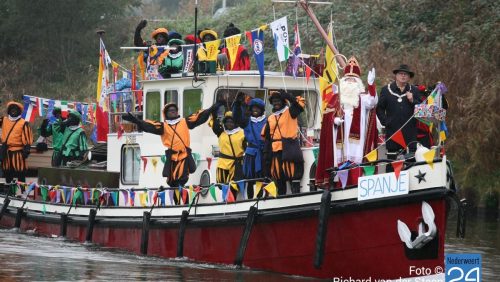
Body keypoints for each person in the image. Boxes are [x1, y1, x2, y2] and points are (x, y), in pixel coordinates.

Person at [123, 102, 217, 203]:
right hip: (171, 159)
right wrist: (137, 121)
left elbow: (198, 117)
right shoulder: (163, 126)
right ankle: (176, 205)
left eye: (175, 110)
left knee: (182, 180)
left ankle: (185, 204)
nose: (173, 112)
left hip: (184, 156)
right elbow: (149, 125)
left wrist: (211, 109)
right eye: (170, 111)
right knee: (173, 184)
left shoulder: (185, 122)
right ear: (166, 113)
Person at [335, 57, 378, 165]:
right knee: (341, 161)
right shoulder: (337, 97)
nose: (349, 82)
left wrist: (371, 84)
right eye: (347, 79)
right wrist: (334, 120)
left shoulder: (362, 98)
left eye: (353, 80)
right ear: (342, 82)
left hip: (357, 141)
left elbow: (373, 101)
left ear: (358, 83)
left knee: (355, 163)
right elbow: (329, 114)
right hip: (341, 138)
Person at [262, 90, 305, 195]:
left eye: (278, 100)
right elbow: (267, 137)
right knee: (279, 178)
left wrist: (288, 96)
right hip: (275, 151)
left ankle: (296, 198)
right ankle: (281, 199)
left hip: (289, 149)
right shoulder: (271, 118)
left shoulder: (290, 112)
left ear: (283, 102)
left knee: (292, 176)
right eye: (274, 101)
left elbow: (300, 105)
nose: (276, 103)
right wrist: (266, 155)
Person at [376, 64, 422, 161]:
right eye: (401, 74)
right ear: (396, 76)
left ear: (409, 77)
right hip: (393, 132)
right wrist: (385, 122)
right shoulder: (386, 90)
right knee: (391, 163)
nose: (403, 76)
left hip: (410, 133)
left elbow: (421, 110)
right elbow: (379, 108)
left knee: (410, 162)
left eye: (406, 74)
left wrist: (413, 100)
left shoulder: (415, 90)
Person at [233, 93, 267, 198]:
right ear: (251, 109)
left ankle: (260, 198)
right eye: (253, 108)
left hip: (262, 153)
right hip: (251, 154)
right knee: (250, 179)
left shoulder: (267, 121)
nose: (255, 110)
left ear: (261, 110)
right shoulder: (247, 121)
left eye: (258, 108)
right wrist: (237, 104)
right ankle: (250, 199)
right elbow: (237, 117)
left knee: (261, 179)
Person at [210, 110, 246, 199]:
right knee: (223, 186)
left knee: (234, 185)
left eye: (232, 121)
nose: (229, 123)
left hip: (237, 164)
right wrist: (214, 111)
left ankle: (231, 203)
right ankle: (226, 202)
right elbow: (214, 125)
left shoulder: (242, 133)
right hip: (222, 164)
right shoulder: (221, 133)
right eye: (227, 122)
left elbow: (246, 148)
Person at [0, 101, 33, 183]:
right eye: (11, 108)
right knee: (7, 173)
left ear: (19, 111)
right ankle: (9, 192)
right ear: (9, 110)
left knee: (20, 173)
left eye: (15, 109)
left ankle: (23, 193)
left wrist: (26, 150)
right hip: (6, 152)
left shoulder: (23, 123)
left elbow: (27, 138)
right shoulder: (3, 120)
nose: (13, 110)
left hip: (18, 152)